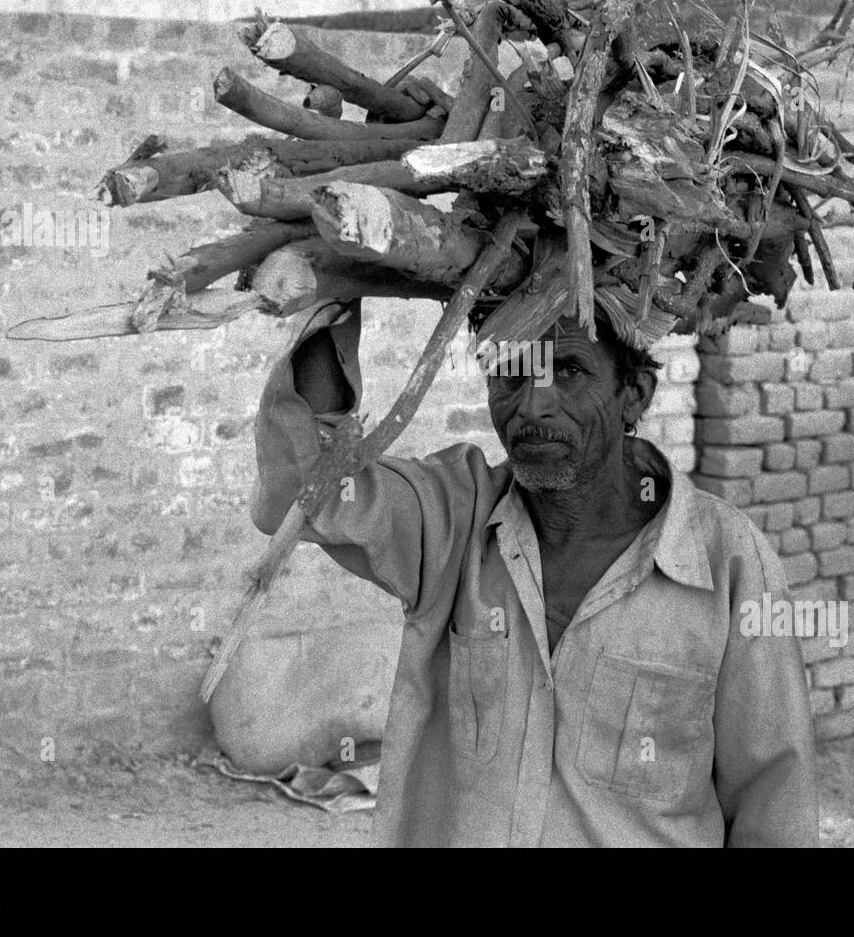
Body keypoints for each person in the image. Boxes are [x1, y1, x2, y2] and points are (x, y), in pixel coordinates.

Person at [243, 298, 819, 847]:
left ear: (634, 395)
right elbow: (305, 489)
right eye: (512, 372)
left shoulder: (725, 561)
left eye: (567, 371)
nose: (532, 406)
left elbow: (775, 799)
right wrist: (338, 284)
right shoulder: (453, 522)